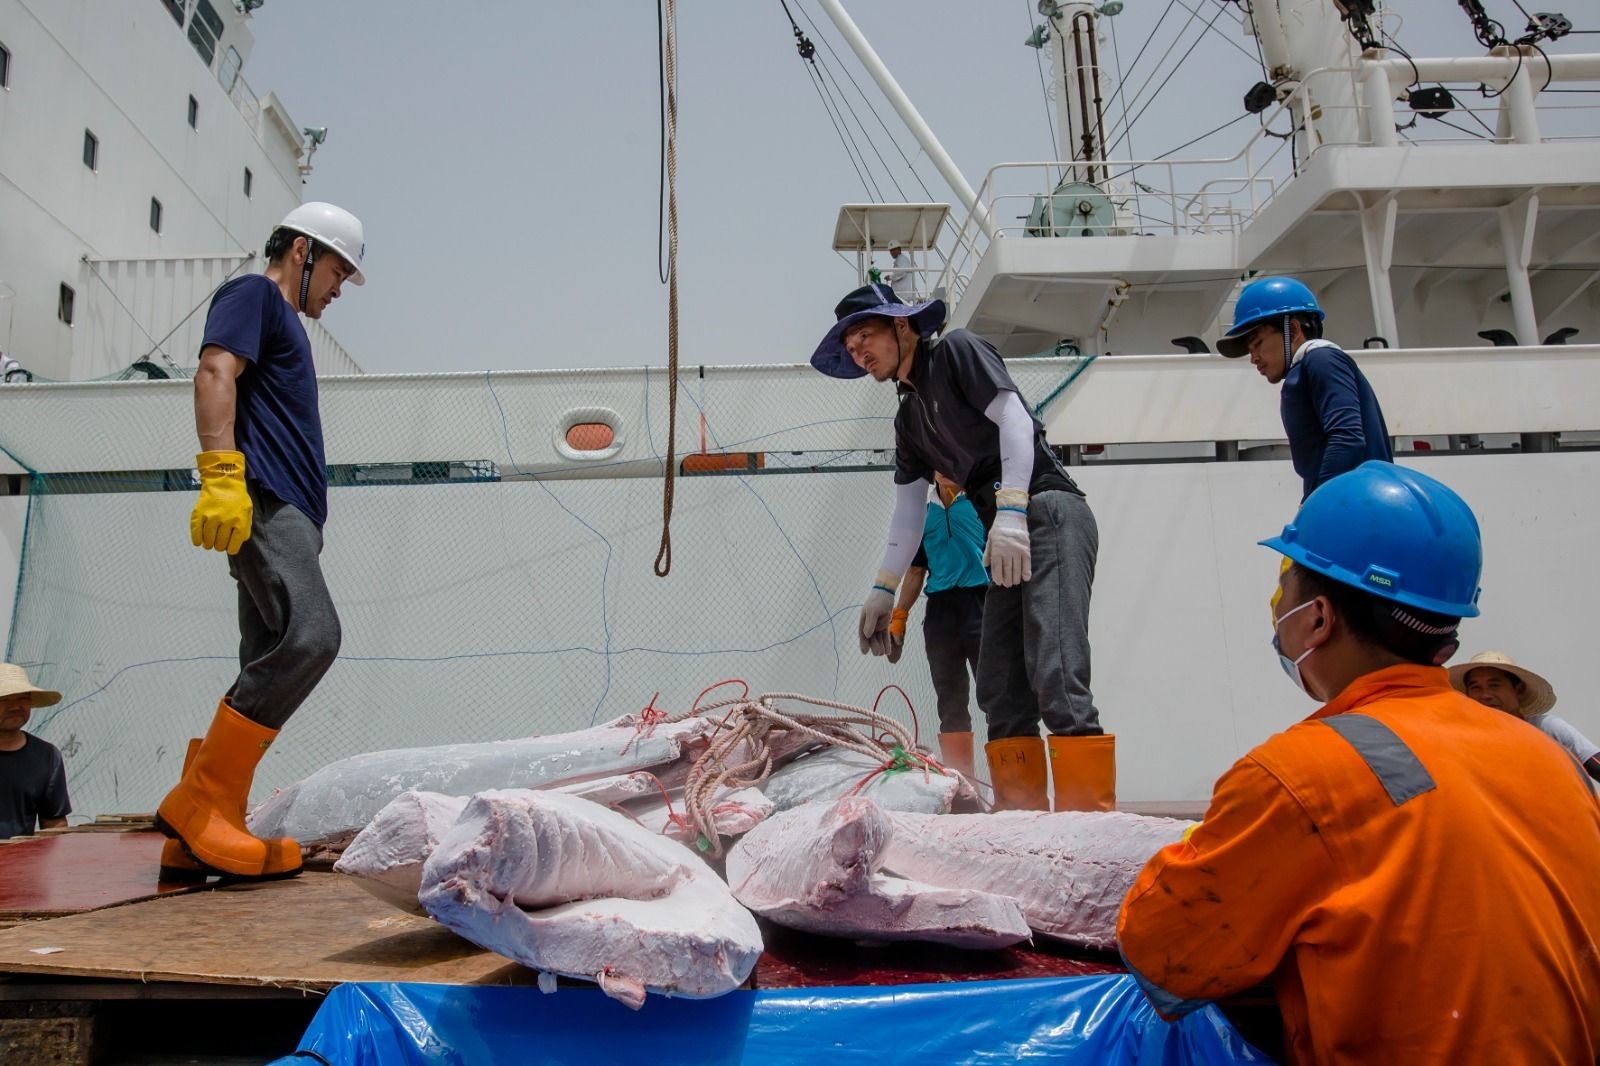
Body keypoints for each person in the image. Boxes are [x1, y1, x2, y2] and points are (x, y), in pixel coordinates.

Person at [1117, 461, 1600, 1063]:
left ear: (1317, 616)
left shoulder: (1299, 774)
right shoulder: (1549, 761)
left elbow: (1164, 954)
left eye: (1285, 586)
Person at [811, 282, 1111, 812]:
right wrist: (883, 593)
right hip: (1004, 531)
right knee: (998, 685)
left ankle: (1088, 833)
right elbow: (908, 510)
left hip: (1047, 511)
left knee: (1056, 672)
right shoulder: (908, 419)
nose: (859, 352)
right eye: (851, 347)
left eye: (865, 337)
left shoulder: (956, 351)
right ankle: (1021, 826)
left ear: (901, 326)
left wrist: (1015, 511)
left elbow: (1015, 420)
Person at [155, 202, 365, 881]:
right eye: (337, 271)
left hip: (285, 511)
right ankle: (202, 803)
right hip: (265, 501)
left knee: (265, 654)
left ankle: (199, 827)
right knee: (313, 637)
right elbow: (215, 371)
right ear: (302, 252)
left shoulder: (289, 327)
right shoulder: (254, 296)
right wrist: (221, 478)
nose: (339, 289)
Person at [1217, 276, 1392, 501]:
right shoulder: (1309, 368)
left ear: (1293, 328)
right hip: (1348, 502)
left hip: (1361, 506)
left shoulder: (1322, 360)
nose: (1254, 358)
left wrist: (1315, 505)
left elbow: (1347, 438)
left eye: (1257, 343)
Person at [887, 472, 988, 780]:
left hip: (981, 604)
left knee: (996, 697)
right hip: (941, 612)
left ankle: (1009, 787)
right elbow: (917, 570)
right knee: (950, 700)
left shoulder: (982, 502)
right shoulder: (924, 511)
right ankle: (964, 784)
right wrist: (899, 617)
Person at [1450, 650, 1600, 782]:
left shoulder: (1547, 729)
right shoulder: (1463, 742)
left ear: (1519, 690)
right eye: (1475, 687)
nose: (1485, 695)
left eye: (1494, 685)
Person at [0, 663, 70, 839]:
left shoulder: (46, 756)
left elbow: (54, 824)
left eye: (22, 698)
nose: (15, 706)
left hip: (19, 862)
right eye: (5, 699)